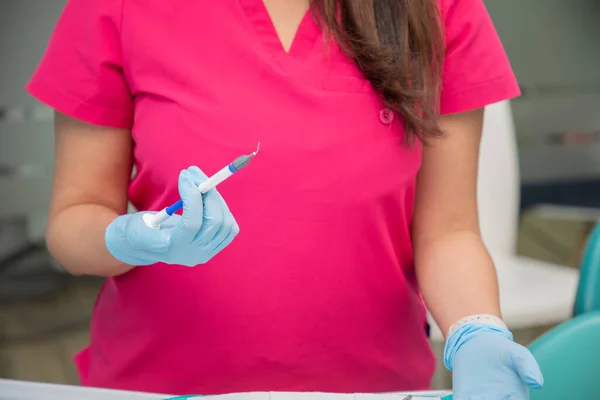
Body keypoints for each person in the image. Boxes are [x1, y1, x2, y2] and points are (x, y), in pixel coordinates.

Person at [27, 0, 543, 398]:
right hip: (158, 384)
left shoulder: (438, 9)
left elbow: (447, 231)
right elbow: (74, 221)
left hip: (373, 387)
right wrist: (129, 238)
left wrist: (478, 329)